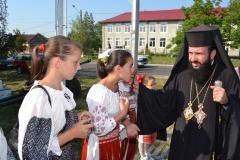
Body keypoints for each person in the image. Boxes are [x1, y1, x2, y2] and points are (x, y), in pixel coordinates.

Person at [137, 24, 240, 160]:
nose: (192, 59)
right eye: (190, 53)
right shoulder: (182, 75)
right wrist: (140, 91)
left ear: (212, 53)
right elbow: (163, 101)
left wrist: (227, 102)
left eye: (198, 53)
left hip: (209, 148)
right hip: (182, 145)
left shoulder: (226, 76)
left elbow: (237, 115)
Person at [17, 36, 94, 159]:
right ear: (58, 63)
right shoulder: (39, 98)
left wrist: (76, 117)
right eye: (75, 62)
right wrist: (72, 133)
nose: (79, 67)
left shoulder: (64, 91)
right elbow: (31, 153)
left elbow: (56, 122)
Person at [81, 49, 139, 160]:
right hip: (100, 149)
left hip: (113, 145)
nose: (133, 70)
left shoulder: (116, 87)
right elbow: (99, 129)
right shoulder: (99, 92)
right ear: (118, 68)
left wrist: (128, 124)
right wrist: (122, 114)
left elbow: (116, 113)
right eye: (130, 66)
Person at [118, 69, 138, 160]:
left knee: (130, 149)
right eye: (130, 72)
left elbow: (136, 103)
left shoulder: (133, 87)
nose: (132, 75)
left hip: (133, 120)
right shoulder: (117, 86)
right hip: (122, 123)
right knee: (121, 145)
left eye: (133, 75)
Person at [137, 74, 158, 160]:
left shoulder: (152, 94)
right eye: (151, 85)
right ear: (144, 85)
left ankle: (147, 153)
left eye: (154, 85)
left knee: (148, 140)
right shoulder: (141, 95)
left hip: (150, 123)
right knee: (142, 140)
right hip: (143, 123)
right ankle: (142, 156)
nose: (152, 87)